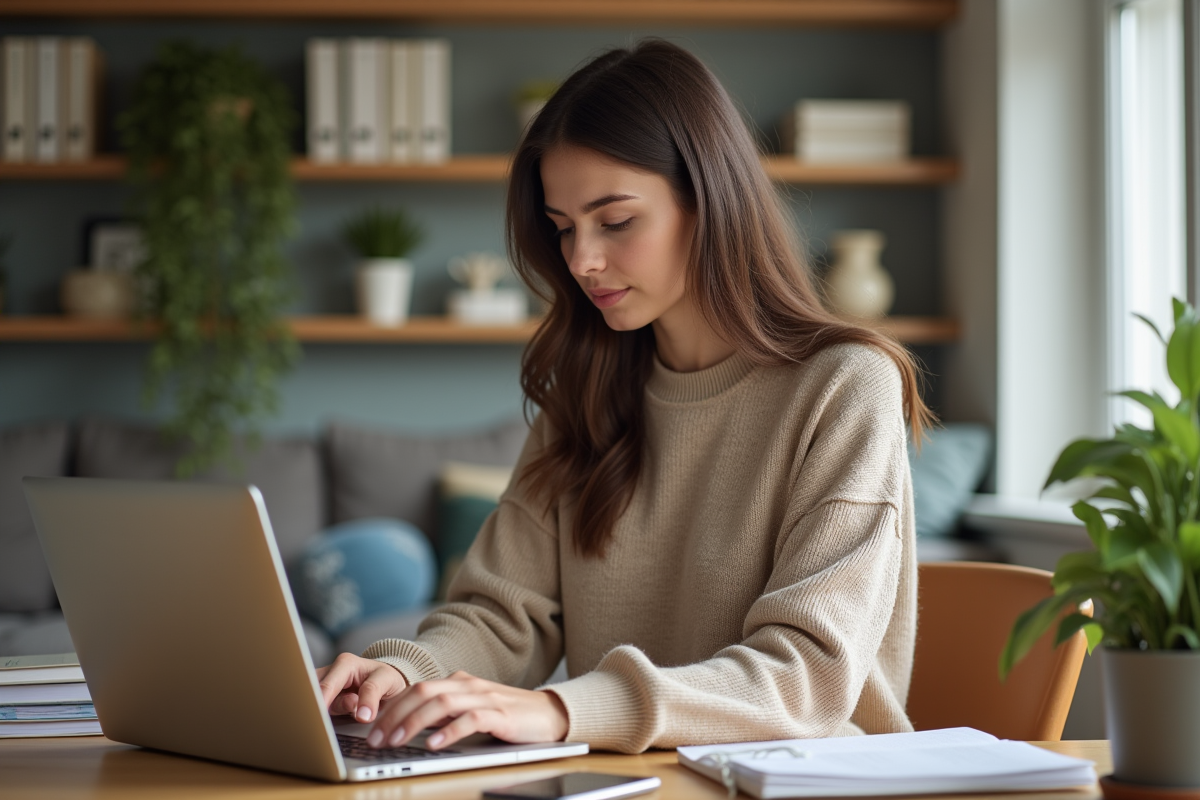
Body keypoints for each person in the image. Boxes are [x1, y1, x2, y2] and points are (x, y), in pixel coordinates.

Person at [317, 39, 932, 756]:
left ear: (708, 202)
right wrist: (404, 672)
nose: (581, 260)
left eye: (614, 221)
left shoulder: (845, 384)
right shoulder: (587, 392)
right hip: (641, 781)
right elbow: (500, 614)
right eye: (562, 229)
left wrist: (558, 710)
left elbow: (807, 678)